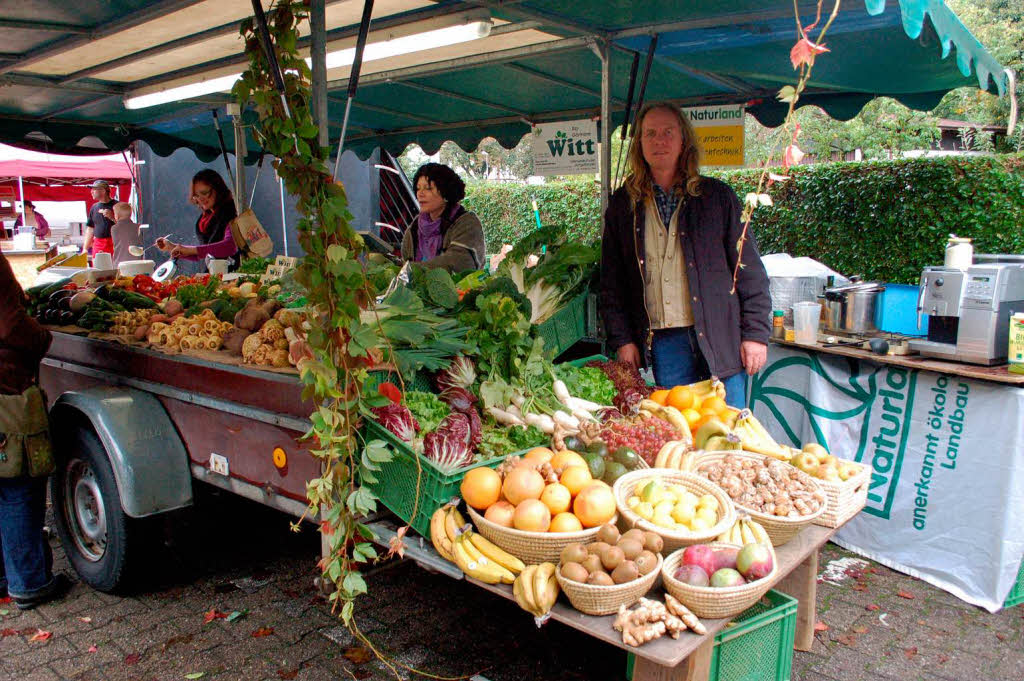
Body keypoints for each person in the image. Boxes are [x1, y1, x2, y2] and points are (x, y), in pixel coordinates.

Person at [599, 102, 771, 408]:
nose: (659, 140)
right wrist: (623, 340)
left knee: (729, 431)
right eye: (650, 133)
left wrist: (756, 335)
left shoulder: (718, 198)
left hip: (720, 340)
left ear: (684, 140)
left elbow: (750, 273)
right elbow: (612, 283)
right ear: (639, 143)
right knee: (679, 435)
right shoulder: (623, 206)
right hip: (665, 346)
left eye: (668, 132)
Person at [0, 251, 72, 609]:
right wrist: (42, 337)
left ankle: (6, 574)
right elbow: (11, 325)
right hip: (4, 390)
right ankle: (29, 582)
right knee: (18, 486)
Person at [400, 163, 485, 272]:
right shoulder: (415, 228)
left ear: (445, 192)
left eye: (428, 188)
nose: (420, 194)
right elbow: (405, 265)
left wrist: (414, 269)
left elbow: (459, 262)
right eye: (418, 188)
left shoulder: (467, 223)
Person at [156, 169, 240, 271]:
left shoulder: (230, 212)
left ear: (218, 189)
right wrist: (173, 247)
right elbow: (203, 253)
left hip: (230, 275)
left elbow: (229, 247)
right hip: (212, 274)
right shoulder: (205, 218)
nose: (201, 199)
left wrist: (190, 250)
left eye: (204, 193)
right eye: (197, 196)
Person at [84, 180, 117, 257]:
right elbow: (90, 229)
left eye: (94, 189)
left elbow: (124, 226)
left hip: (115, 244)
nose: (92, 192)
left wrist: (112, 217)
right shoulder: (94, 207)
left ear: (103, 191)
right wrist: (85, 248)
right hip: (98, 244)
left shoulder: (117, 206)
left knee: (114, 267)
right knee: (98, 268)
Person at [110, 202, 142, 267]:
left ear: (117, 215)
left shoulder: (114, 228)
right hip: (136, 262)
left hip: (119, 262)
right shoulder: (138, 227)